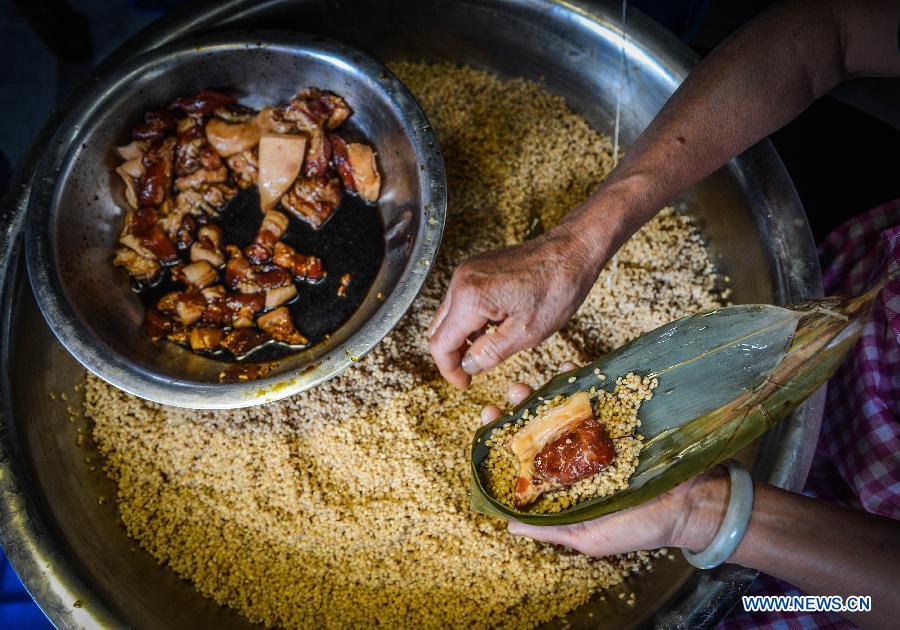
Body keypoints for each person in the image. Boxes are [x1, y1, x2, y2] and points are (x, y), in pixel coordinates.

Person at [428, 0, 900, 627]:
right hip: (855, 281)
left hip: (832, 590)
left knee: (767, 605)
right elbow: (830, 30)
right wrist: (580, 242)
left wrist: (705, 514)